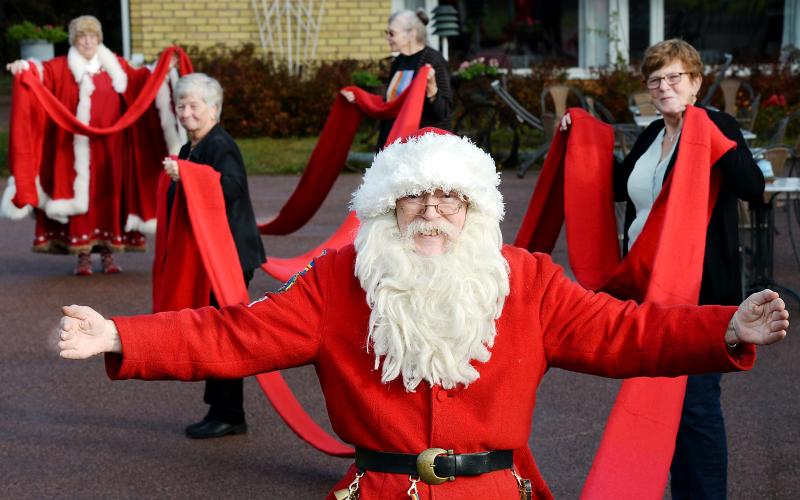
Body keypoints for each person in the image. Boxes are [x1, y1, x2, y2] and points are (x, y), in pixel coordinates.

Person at [57, 129, 787, 499]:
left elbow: (623, 332)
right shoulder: (338, 279)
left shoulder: (525, 279)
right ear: (386, 207)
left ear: (474, 210)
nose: (433, 212)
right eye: (415, 197)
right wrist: (122, 334)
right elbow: (236, 333)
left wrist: (723, 327)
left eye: (451, 199)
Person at [561, 39, 765, 499]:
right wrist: (582, 134)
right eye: (655, 79)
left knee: (694, 406)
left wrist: (716, 140)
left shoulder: (716, 124)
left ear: (695, 82)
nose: (663, 86)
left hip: (698, 290)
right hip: (647, 288)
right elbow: (617, 187)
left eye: (674, 77)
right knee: (658, 400)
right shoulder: (654, 134)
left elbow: (753, 186)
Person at [3, 15, 181, 275]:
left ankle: (109, 255)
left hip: (113, 149)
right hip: (74, 149)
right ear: (74, 39)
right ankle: (83, 256)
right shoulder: (61, 67)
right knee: (81, 196)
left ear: (99, 38)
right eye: (82, 36)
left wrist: (164, 69)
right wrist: (24, 67)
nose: (87, 41)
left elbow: (143, 83)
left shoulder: (117, 67)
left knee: (110, 198)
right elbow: (39, 73)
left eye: (92, 36)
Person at [161, 73, 266, 439]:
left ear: (214, 109)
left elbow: (231, 188)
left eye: (194, 106)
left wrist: (187, 174)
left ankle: (230, 412)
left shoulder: (220, 144)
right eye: (181, 105)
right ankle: (219, 407)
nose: (186, 112)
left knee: (223, 332)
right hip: (213, 254)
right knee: (213, 329)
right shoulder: (192, 146)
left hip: (229, 256)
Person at [341, 9, 453, 148]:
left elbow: (444, 112)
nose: (387, 37)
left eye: (392, 33)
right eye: (386, 33)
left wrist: (432, 91)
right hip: (392, 142)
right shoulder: (398, 61)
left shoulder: (433, 60)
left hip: (418, 147)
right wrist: (358, 97)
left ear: (411, 34)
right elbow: (390, 102)